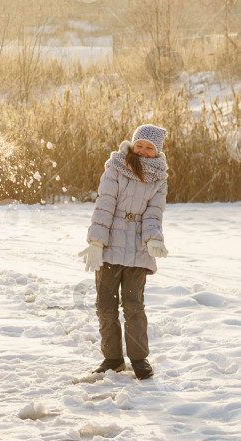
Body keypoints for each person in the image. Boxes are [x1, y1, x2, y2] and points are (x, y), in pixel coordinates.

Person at [78, 124, 170, 380]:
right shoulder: (116, 167)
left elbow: (154, 214)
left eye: (149, 147)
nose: (142, 150)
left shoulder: (160, 178)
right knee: (106, 306)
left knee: (134, 307)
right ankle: (113, 359)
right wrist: (96, 242)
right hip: (109, 247)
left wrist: (153, 239)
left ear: (157, 151)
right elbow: (104, 205)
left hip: (138, 251)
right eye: (139, 144)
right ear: (132, 144)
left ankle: (139, 360)